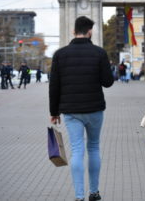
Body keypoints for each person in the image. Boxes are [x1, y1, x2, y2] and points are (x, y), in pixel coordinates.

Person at [49, 16, 114, 201]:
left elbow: (54, 86)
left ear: (73, 31)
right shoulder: (99, 53)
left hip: (71, 111)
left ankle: (79, 197)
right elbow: (107, 82)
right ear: (90, 31)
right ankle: (94, 192)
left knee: (77, 151)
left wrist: (54, 112)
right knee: (93, 147)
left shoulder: (60, 54)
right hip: (94, 109)